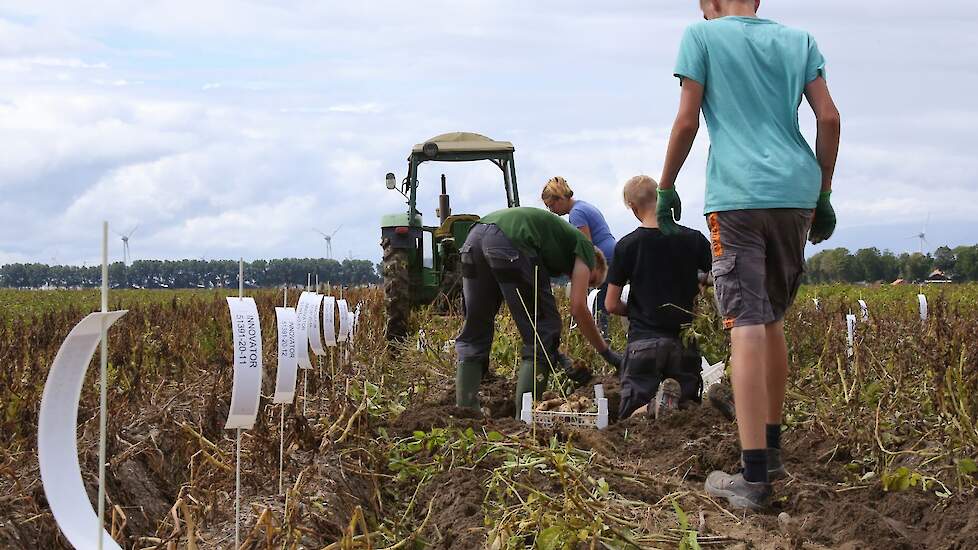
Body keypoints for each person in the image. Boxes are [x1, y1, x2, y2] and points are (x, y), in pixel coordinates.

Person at [657, 0, 841, 509]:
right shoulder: (798, 40)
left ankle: (753, 476)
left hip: (738, 195)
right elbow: (828, 117)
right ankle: (774, 451)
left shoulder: (702, 36)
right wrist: (823, 192)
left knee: (746, 323)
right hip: (795, 193)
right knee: (773, 318)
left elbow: (687, 122)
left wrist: (667, 184)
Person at [454, 207, 623, 415]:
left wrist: (556, 354)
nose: (587, 284)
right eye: (592, 280)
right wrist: (607, 353)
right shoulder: (586, 248)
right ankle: (525, 419)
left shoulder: (553, 250)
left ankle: (466, 412)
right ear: (594, 264)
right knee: (546, 327)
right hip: (510, 238)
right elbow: (578, 307)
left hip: (475, 237)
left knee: (475, 327)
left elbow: (524, 314)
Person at [605, 175, 713, 420]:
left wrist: (636, 310)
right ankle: (711, 405)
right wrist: (700, 285)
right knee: (689, 415)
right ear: (661, 199)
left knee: (630, 417)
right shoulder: (694, 239)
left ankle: (651, 408)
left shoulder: (627, 246)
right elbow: (718, 274)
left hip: (644, 342)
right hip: (684, 342)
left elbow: (610, 304)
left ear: (633, 207)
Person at [541, 177, 617, 342]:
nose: (551, 210)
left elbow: (585, 247)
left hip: (604, 260)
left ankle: (604, 340)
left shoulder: (577, 214)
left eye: (551, 205)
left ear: (560, 198)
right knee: (605, 300)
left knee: (597, 304)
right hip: (612, 254)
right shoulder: (583, 206)